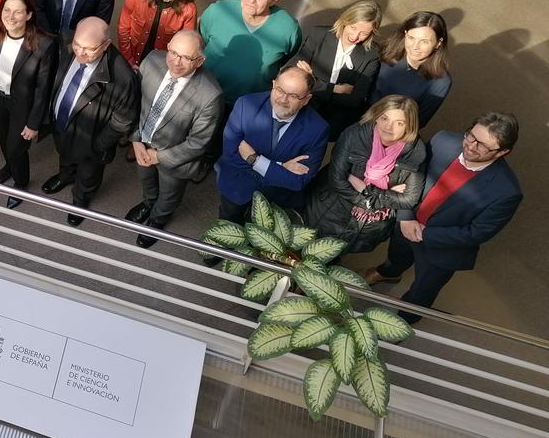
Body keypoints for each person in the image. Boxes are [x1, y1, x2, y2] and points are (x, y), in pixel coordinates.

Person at [362, 113, 522, 322]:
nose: (472, 146)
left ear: (503, 152)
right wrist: (406, 216)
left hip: (443, 248)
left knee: (422, 292)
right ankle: (389, 272)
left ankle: (404, 320)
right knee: (397, 255)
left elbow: (477, 233)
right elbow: (411, 174)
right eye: (471, 136)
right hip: (407, 220)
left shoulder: (506, 191)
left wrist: (422, 234)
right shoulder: (443, 140)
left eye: (484, 146)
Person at [124, 30, 223, 247]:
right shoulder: (151, 61)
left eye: (186, 58)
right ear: (167, 47)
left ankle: (158, 218)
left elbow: (199, 142)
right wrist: (135, 140)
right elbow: (134, 102)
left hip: (175, 159)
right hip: (142, 142)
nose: (176, 62)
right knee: (146, 179)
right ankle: (148, 203)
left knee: (169, 193)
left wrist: (158, 156)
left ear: (200, 61)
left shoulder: (210, 95)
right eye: (173, 53)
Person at [41, 16, 139, 225]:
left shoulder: (123, 78)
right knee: (64, 154)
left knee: (88, 175)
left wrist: (98, 145)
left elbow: (123, 120)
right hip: (63, 125)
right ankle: (65, 175)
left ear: (106, 45)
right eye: (77, 44)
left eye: (89, 49)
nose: (80, 53)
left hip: (92, 141)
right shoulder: (68, 45)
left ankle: (80, 202)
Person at [306, 95, 426, 255]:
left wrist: (365, 190)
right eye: (384, 118)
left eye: (399, 123)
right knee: (310, 246)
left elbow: (409, 199)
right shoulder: (354, 135)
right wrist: (388, 196)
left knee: (339, 254)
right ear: (376, 116)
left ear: (409, 126)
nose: (389, 127)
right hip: (332, 210)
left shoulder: (416, 153)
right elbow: (337, 180)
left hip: (369, 226)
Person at [215, 66, 329, 223]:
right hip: (236, 188)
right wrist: (281, 167)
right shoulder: (245, 105)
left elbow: (299, 181)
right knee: (228, 224)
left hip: (276, 199)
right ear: (274, 84)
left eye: (293, 96)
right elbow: (230, 155)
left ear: (306, 100)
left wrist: (255, 160)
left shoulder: (317, 129)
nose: (283, 99)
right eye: (280, 90)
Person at [0, 0, 57, 210]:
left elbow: (43, 88)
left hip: (23, 105)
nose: (10, 16)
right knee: (3, 140)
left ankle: (20, 182)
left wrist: (34, 122)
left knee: (17, 148)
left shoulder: (44, 45)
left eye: (18, 12)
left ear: (29, 15)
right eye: (7, 10)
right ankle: (10, 167)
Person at [199, 0, 303, 105]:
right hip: (204, 93)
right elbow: (203, 38)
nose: (251, 0)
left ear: (274, 0)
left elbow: (287, 56)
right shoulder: (218, 11)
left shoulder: (289, 29)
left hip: (247, 105)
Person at [285, 0, 382, 140]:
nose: (355, 37)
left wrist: (312, 83)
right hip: (301, 110)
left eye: (364, 33)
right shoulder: (317, 35)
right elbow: (290, 73)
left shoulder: (372, 54)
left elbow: (355, 100)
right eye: (353, 27)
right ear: (345, 19)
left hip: (331, 122)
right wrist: (336, 89)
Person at [371, 11, 452, 127]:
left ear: (438, 43)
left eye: (424, 41)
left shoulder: (440, 81)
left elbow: (419, 121)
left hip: (389, 130)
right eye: (411, 38)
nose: (415, 47)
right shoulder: (385, 51)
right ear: (405, 34)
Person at [117, 0, 198, 68]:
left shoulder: (188, 9)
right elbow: (123, 29)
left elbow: (184, 48)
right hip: (131, 59)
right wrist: (129, 60)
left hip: (161, 67)